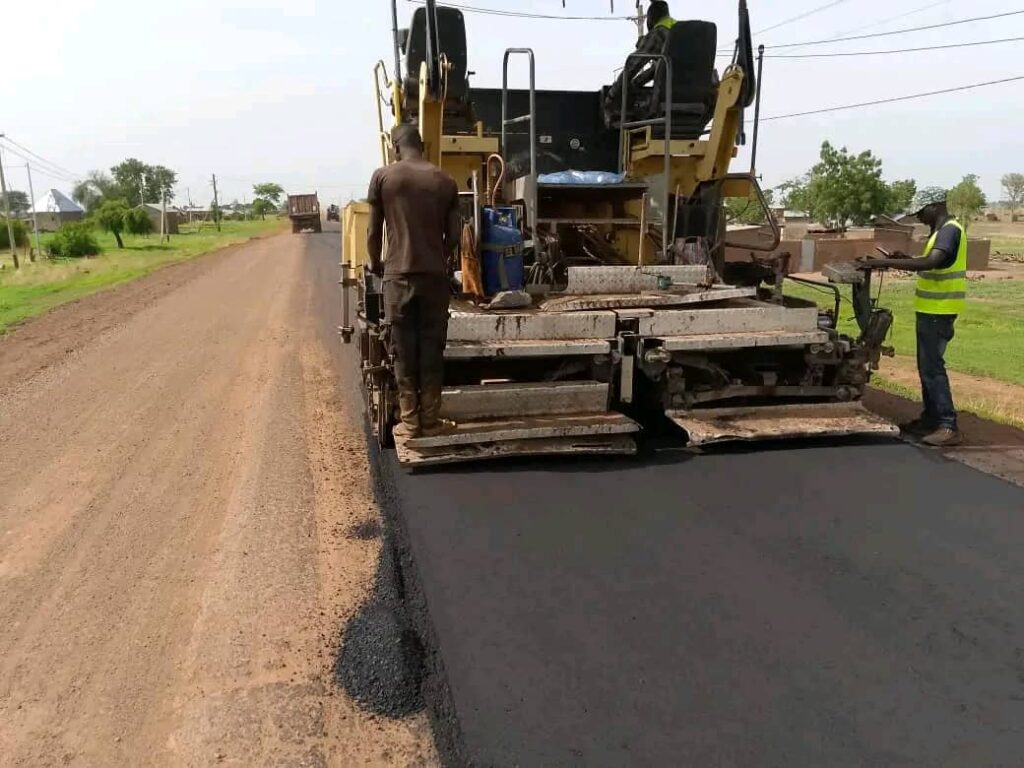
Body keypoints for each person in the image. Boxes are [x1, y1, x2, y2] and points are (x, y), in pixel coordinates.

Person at [367, 124, 461, 439]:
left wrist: (377, 263)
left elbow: (372, 232)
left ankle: (410, 422)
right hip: (434, 279)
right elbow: (455, 237)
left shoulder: (383, 177)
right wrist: (437, 256)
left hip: (397, 278)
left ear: (395, 147)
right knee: (432, 349)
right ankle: (431, 419)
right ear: (422, 145)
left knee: (402, 350)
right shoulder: (445, 180)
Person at [860, 192, 967, 447]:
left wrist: (886, 262)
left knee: (933, 367)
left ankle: (947, 425)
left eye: (920, 212)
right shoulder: (939, 231)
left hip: (940, 310)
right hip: (930, 309)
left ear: (935, 206)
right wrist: (903, 259)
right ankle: (930, 419)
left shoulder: (950, 231)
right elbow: (930, 263)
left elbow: (932, 262)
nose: (918, 217)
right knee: (926, 367)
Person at [604, 1, 676, 124]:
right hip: (700, 101)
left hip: (667, 101)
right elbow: (657, 70)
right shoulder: (682, 35)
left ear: (651, 18)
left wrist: (612, 94)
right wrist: (635, 84)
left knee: (636, 110)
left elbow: (633, 65)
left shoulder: (659, 33)